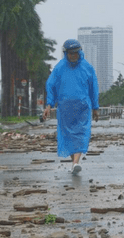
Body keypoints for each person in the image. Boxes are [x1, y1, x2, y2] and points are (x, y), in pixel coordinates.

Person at [42, 39, 99, 175]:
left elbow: (94, 88)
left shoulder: (87, 67)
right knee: (67, 136)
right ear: (65, 53)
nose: (73, 56)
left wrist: (95, 107)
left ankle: (75, 163)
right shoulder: (59, 68)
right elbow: (51, 85)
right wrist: (49, 104)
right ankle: (75, 163)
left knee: (81, 134)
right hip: (65, 109)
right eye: (70, 53)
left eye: (75, 53)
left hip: (83, 107)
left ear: (80, 52)